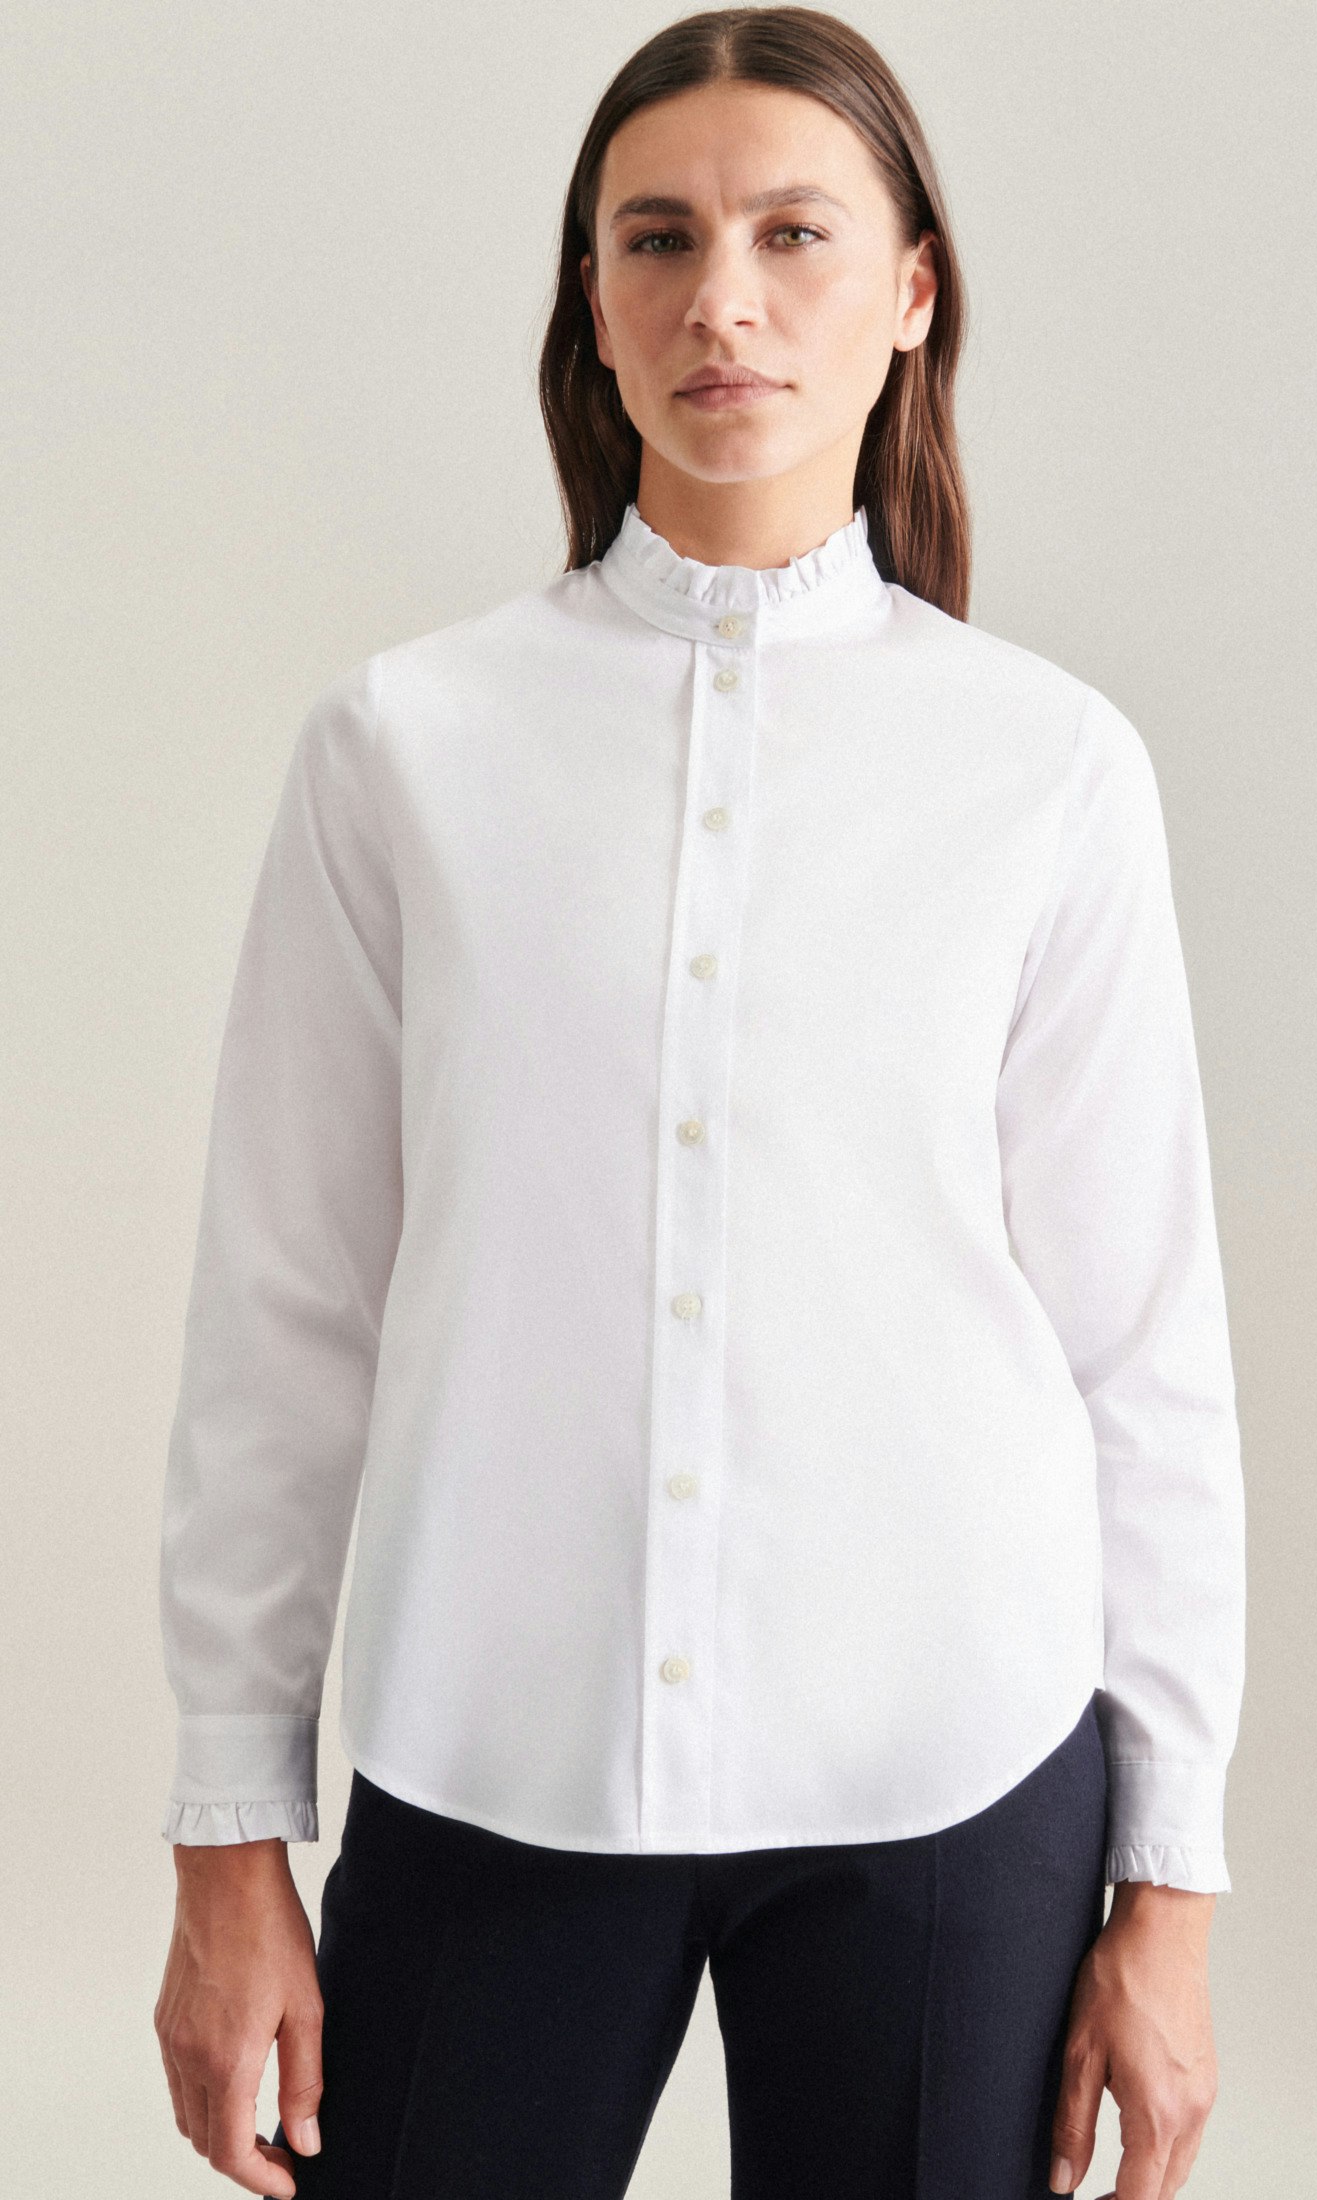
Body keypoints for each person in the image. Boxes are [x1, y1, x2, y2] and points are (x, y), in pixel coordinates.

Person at [152, 9, 1246, 2198]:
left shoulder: (1047, 769)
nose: (720, 299)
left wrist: (1174, 1886)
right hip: (495, 1755)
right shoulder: (404, 748)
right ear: (592, 299)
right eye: (657, 239)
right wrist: (226, 1838)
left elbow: (1140, 1351)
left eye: (791, 235)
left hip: (954, 1778)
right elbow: (284, 1315)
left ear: (912, 292)